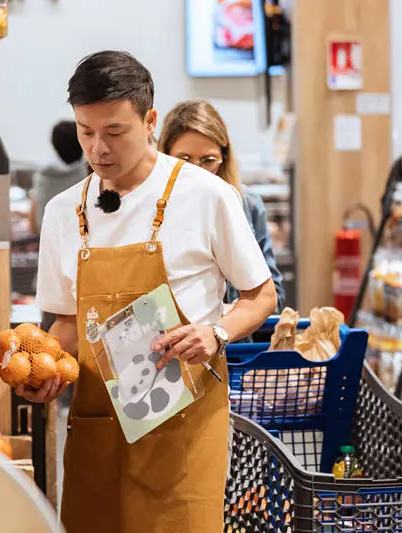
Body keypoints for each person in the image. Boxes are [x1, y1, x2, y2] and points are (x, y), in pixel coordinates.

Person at [25, 51, 277, 533]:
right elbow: (65, 325)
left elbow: (261, 295)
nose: (98, 149)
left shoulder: (207, 196)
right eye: (86, 131)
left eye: (114, 132)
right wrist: (42, 369)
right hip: (99, 429)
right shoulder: (62, 213)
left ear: (150, 121)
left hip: (183, 432)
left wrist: (217, 333)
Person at [159, 99, 286, 312]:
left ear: (224, 159)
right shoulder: (152, 208)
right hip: (172, 340)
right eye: (184, 159)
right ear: (165, 157)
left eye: (208, 160)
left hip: (235, 342)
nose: (196, 171)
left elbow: (275, 298)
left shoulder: (247, 204)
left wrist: (232, 315)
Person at [30, 120, 87, 233]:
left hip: (50, 238)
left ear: (54, 145)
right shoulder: (91, 174)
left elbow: (35, 223)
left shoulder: (43, 177)